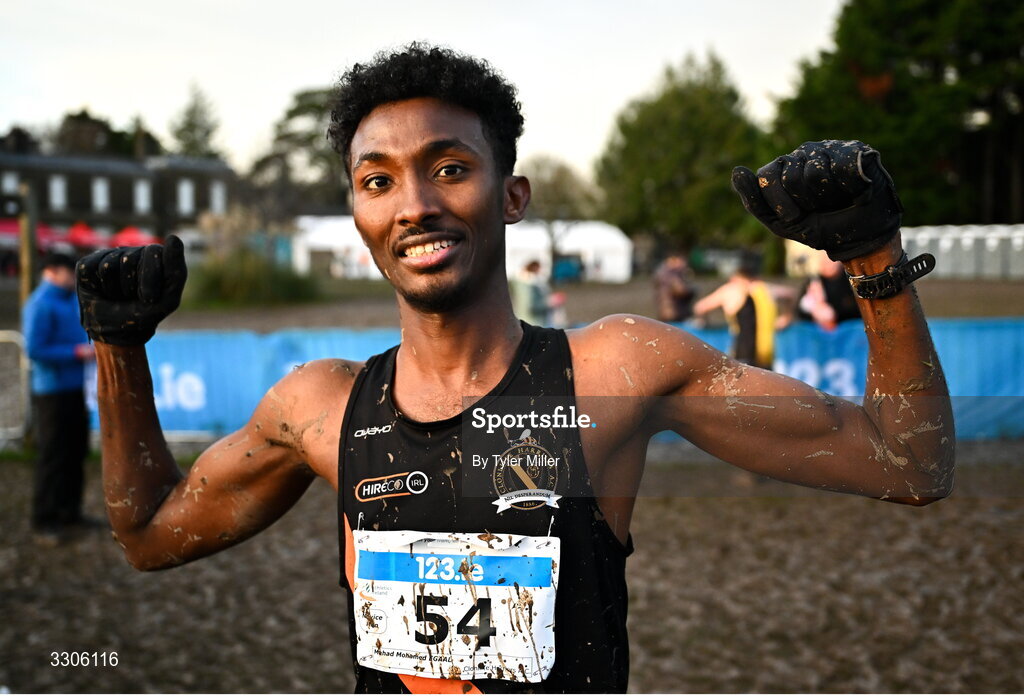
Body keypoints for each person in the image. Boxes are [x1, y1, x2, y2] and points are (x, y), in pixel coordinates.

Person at [77, 44, 953, 694]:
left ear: (511, 195)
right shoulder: (319, 408)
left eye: (449, 169)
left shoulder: (617, 368)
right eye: (377, 181)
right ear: (356, 212)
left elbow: (907, 461)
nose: (415, 205)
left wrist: (872, 257)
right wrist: (119, 351)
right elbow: (150, 534)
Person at [23, 251, 96, 546]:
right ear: (52, 272)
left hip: (75, 388)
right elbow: (34, 350)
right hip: (51, 392)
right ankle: (44, 519)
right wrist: (76, 353)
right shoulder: (40, 304)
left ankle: (70, 512)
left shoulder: (70, 301)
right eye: (69, 271)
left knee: (75, 451)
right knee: (52, 456)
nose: (73, 278)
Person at [692, 250, 794, 370]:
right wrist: (787, 316)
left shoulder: (732, 290)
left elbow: (700, 307)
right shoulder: (765, 288)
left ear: (735, 276)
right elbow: (790, 294)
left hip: (742, 355)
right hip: (766, 356)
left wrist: (703, 322)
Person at [798, 252, 863, 331]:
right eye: (823, 262)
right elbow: (800, 310)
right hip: (819, 330)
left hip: (847, 328)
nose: (826, 264)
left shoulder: (849, 281)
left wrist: (833, 313)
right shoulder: (814, 281)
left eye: (829, 262)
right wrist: (814, 311)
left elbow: (858, 308)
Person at [652, 252, 696, 322]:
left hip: (666, 312)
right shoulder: (671, 274)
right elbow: (681, 290)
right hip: (673, 312)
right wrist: (693, 290)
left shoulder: (661, 272)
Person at [509, 259, 550, 325]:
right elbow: (530, 305)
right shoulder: (530, 283)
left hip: (525, 320)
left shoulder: (519, 281)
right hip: (534, 322)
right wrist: (549, 303)